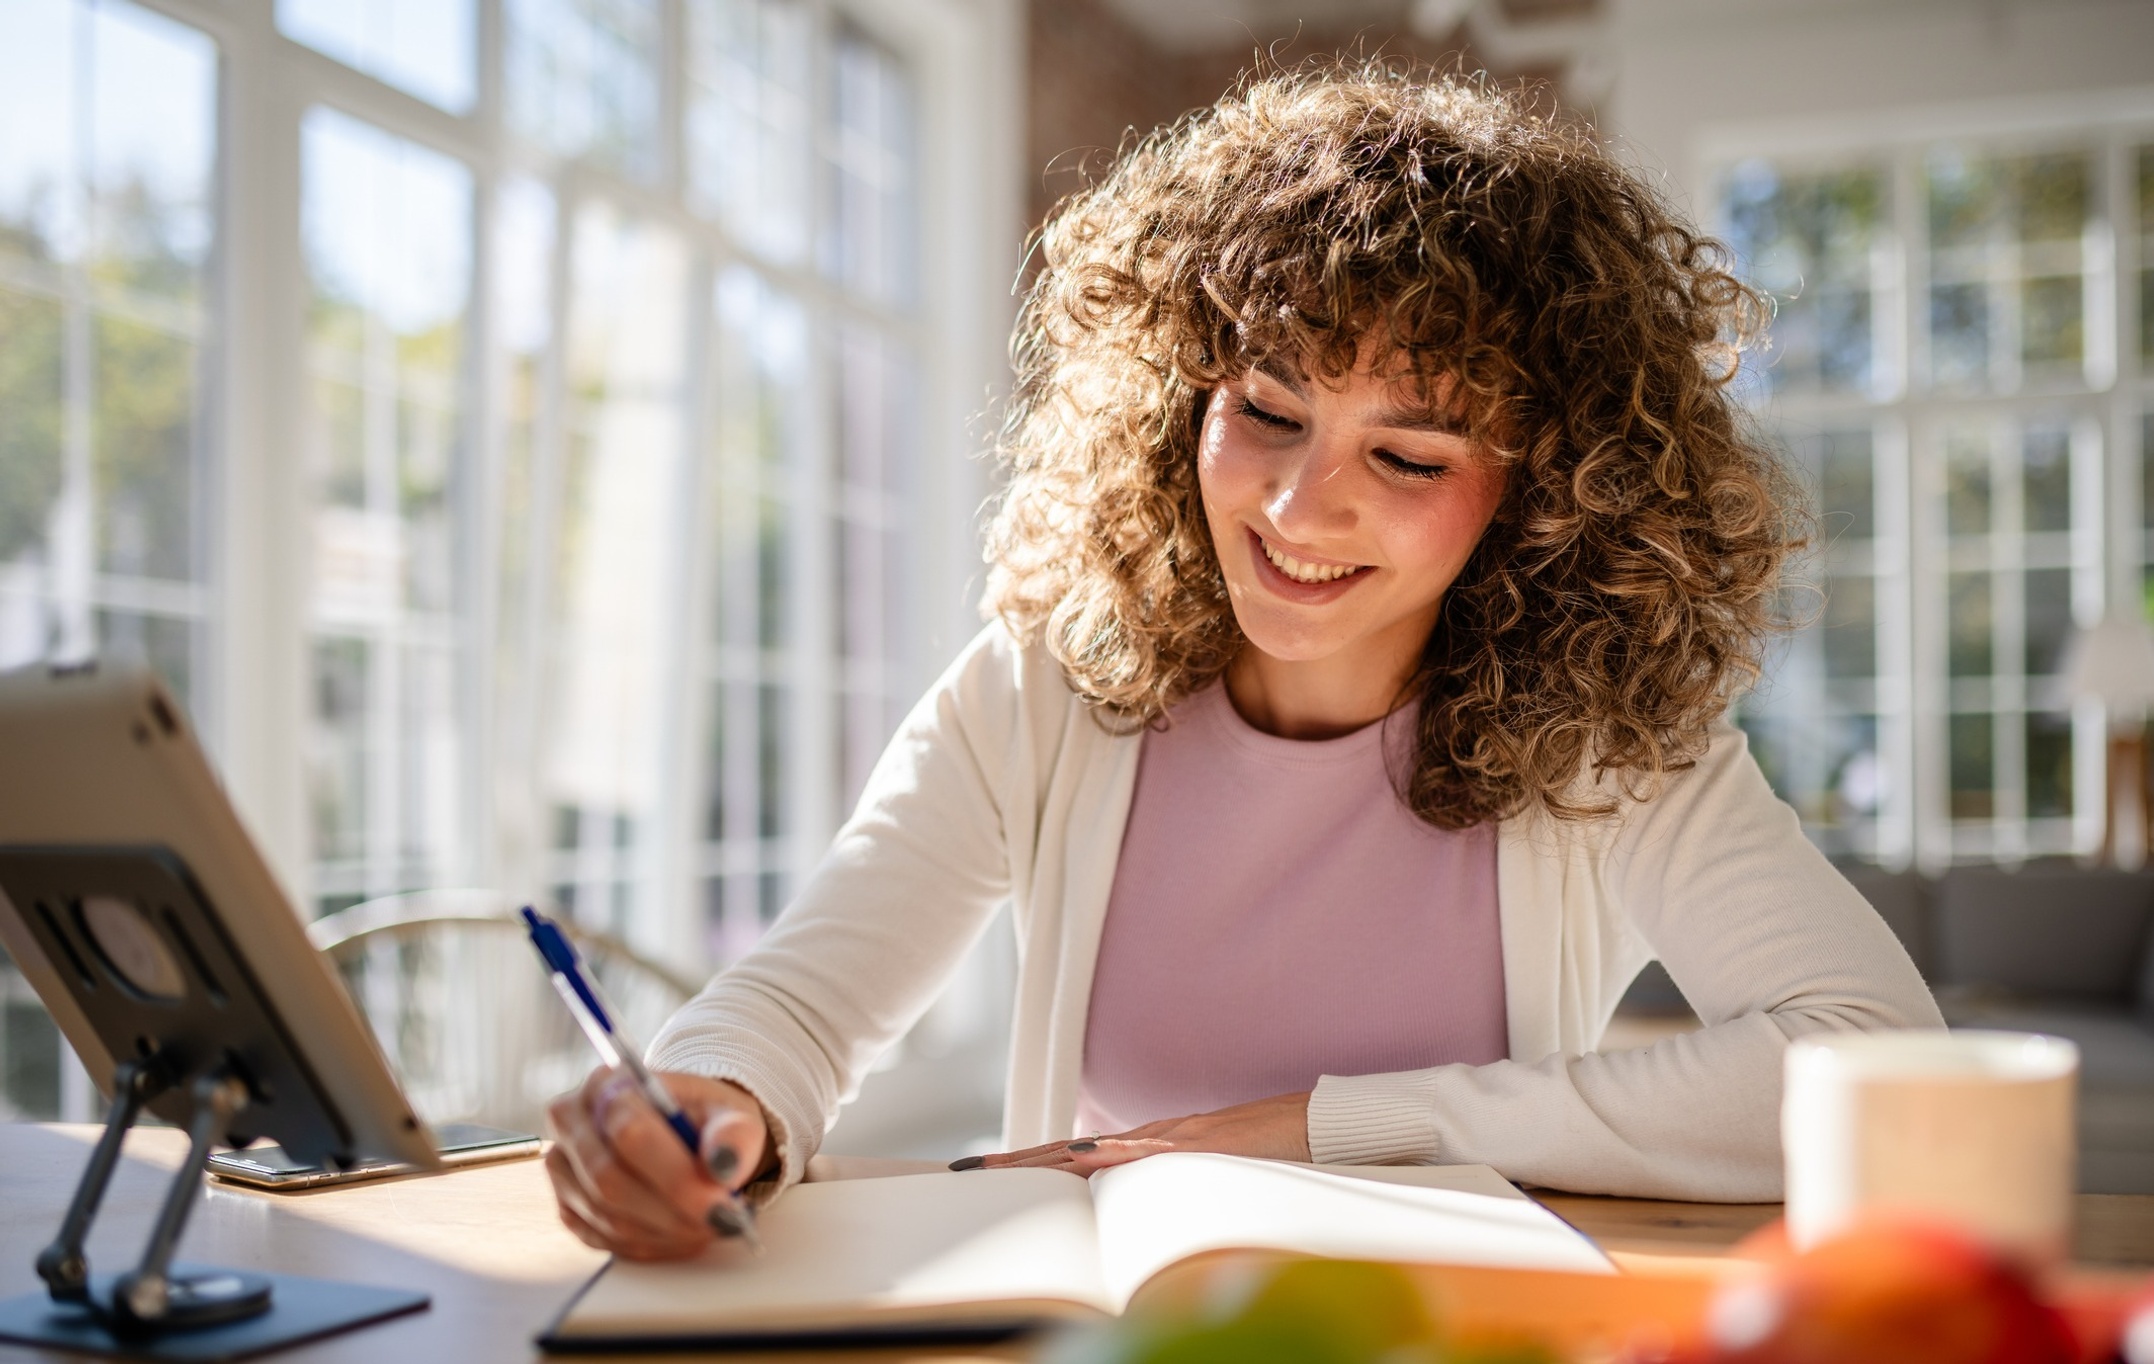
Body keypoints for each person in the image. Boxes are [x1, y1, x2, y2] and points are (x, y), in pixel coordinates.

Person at [543, 62, 1942, 1262]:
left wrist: (1321, 1131)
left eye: (1403, 454)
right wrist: (711, 1095)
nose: (1293, 508)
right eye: (1267, 411)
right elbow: (803, 996)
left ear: (1546, 490)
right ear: (1181, 396)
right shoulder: (1043, 686)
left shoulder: (1607, 743)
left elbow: (1879, 1074)